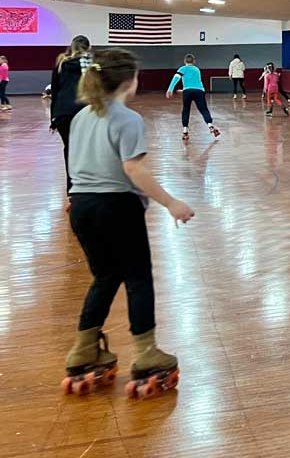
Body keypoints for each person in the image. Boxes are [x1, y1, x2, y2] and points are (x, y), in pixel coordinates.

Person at [61, 48, 195, 398]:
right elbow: (133, 169)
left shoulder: (80, 117)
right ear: (128, 81)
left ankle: (83, 349)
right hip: (116, 207)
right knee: (138, 278)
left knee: (104, 276)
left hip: (81, 206)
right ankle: (147, 354)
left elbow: (74, 165)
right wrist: (171, 203)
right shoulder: (127, 118)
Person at [50, 36, 93, 206]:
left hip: (62, 113)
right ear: (88, 48)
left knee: (69, 149)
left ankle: (72, 191)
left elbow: (55, 91)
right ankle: (86, 187)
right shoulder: (89, 64)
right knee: (86, 150)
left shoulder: (61, 64)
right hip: (83, 110)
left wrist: (53, 118)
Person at [166, 54, 219, 140]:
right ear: (194, 61)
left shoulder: (182, 68)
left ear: (184, 61)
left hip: (187, 91)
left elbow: (176, 78)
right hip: (199, 91)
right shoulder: (197, 69)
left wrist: (170, 89)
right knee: (203, 109)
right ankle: (210, 126)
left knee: (186, 110)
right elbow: (195, 83)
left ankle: (185, 131)